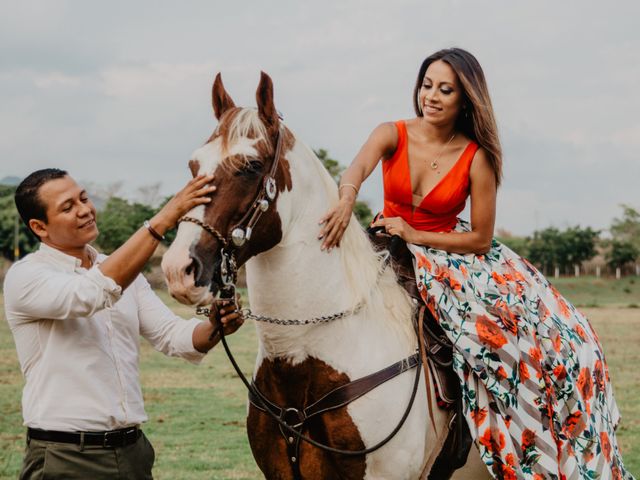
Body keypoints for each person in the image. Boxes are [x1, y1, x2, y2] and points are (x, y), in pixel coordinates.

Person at [319, 48, 632, 479]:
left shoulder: (477, 156)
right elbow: (356, 167)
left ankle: (525, 431)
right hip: (386, 240)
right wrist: (347, 198)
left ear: (465, 99)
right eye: (427, 85)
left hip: (453, 256)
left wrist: (415, 235)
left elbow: (481, 238)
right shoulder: (392, 131)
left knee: (519, 336)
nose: (431, 96)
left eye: (445, 89)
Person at [4, 168, 243, 480]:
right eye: (67, 207)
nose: (85, 210)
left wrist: (215, 327)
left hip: (133, 452)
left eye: (84, 198)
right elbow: (90, 294)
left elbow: (172, 336)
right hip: (65, 457)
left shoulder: (120, 271)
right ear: (39, 227)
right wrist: (162, 219)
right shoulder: (26, 276)